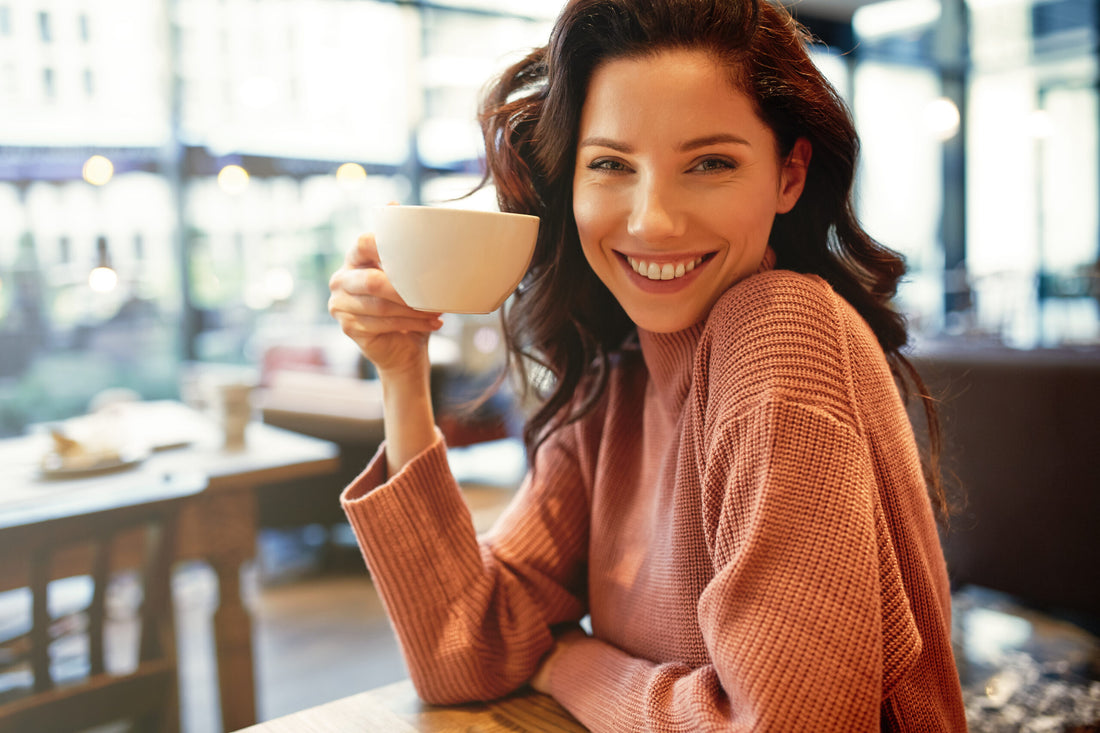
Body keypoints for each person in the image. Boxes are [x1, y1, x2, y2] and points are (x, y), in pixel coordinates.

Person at [327, 0, 967, 729]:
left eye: (710, 163)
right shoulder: (621, 376)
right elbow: (467, 647)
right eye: (610, 164)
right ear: (571, 181)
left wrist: (569, 658)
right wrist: (402, 369)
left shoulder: (782, 328)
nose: (652, 219)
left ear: (789, 175)